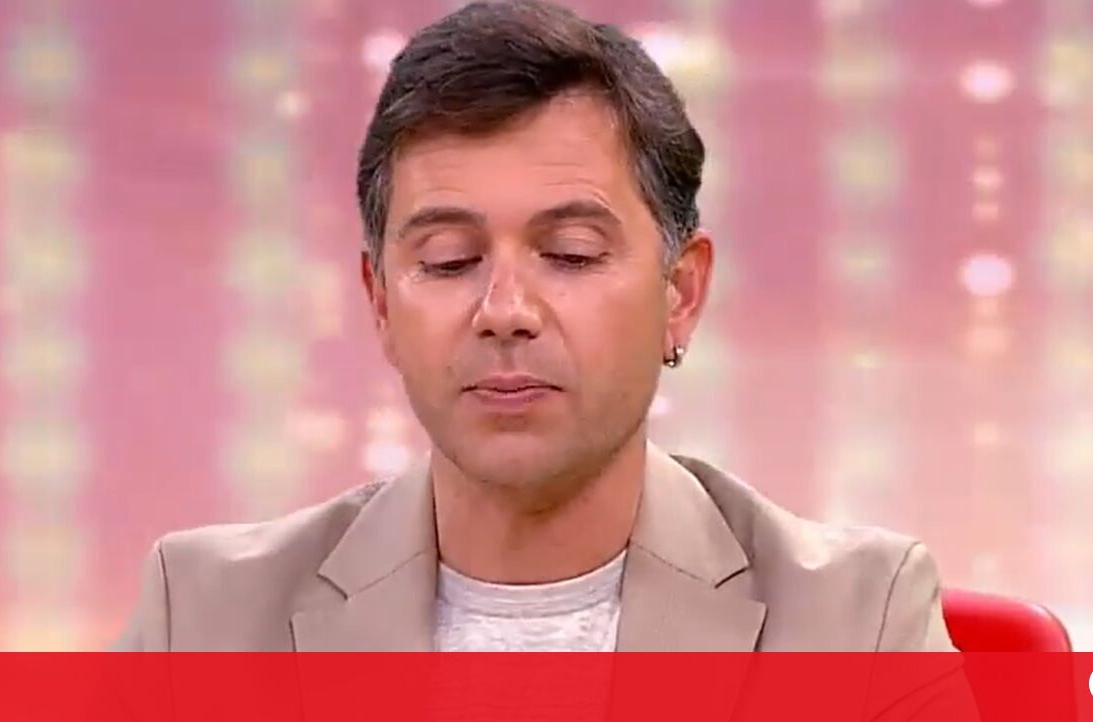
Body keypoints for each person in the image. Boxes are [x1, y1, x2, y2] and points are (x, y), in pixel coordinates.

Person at [114, 0, 960, 656]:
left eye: (570, 254)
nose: (506, 312)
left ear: (680, 293)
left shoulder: (858, 620)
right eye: (449, 260)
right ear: (380, 304)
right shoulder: (203, 619)